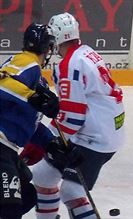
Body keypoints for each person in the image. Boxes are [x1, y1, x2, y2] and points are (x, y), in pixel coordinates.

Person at [20, 12, 126, 219]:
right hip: (104, 130)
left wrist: (45, 141)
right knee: (43, 176)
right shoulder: (86, 53)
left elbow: (73, 117)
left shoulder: (69, 65)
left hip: (94, 139)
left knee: (71, 191)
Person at [0, 23, 67, 218]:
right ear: (48, 48)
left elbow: (29, 122)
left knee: (28, 195)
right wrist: (33, 97)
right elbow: (1, 82)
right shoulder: (26, 61)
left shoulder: (37, 81)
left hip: (9, 149)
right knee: (9, 209)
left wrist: (51, 144)